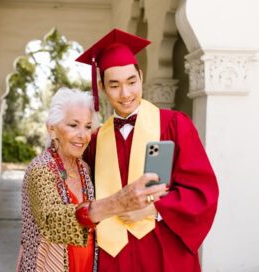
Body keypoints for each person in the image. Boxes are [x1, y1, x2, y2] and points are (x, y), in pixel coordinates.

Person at [76, 28, 219, 271]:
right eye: (114, 85)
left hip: (164, 249)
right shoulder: (97, 140)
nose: (125, 94)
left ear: (141, 76)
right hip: (114, 257)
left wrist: (153, 208)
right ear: (102, 87)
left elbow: (202, 192)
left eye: (131, 82)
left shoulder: (174, 124)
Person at [17, 87, 166, 272]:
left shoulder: (84, 168)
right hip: (49, 265)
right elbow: (52, 222)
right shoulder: (40, 169)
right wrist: (117, 203)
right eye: (73, 125)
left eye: (88, 126)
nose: (83, 135)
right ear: (52, 128)